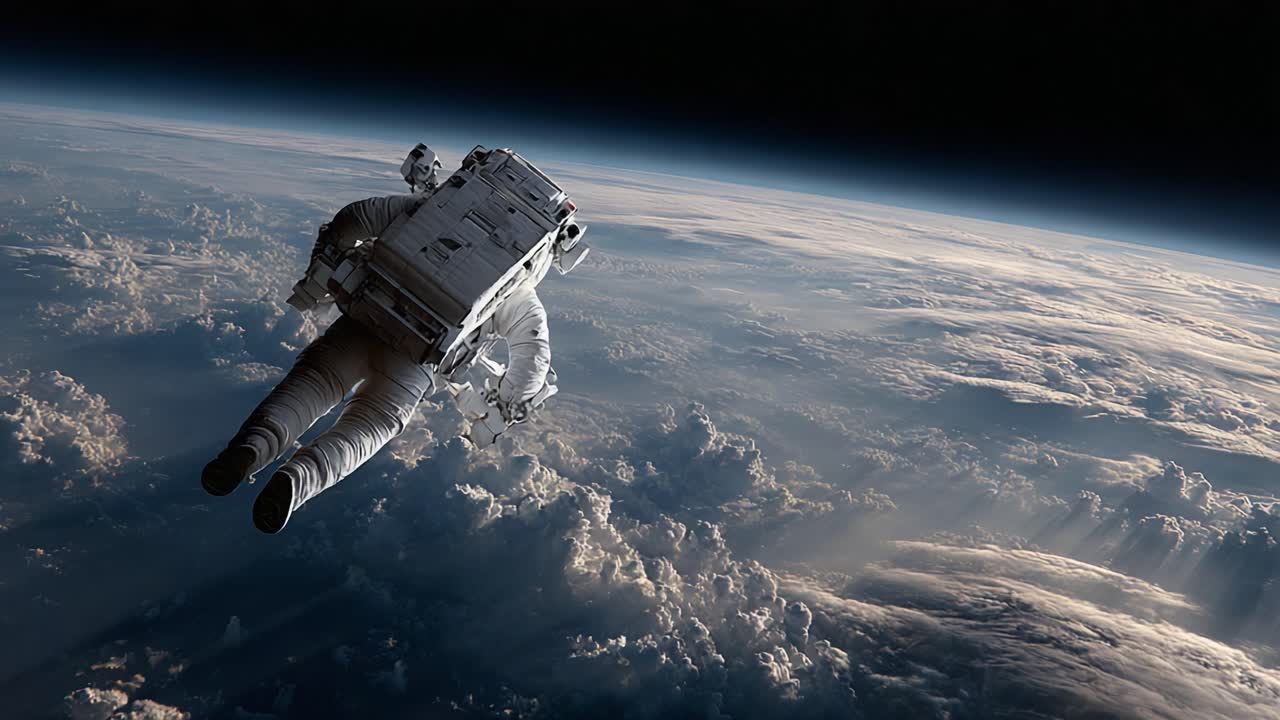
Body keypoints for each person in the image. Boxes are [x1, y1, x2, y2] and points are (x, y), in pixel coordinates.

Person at [201, 190, 553, 534]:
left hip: (362, 321)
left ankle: (250, 449)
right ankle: (296, 481)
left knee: (308, 389)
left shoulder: (427, 209)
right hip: (413, 367)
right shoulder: (518, 288)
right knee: (366, 428)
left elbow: (356, 217)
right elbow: (533, 358)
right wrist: (504, 404)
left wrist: (327, 263)